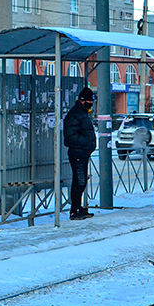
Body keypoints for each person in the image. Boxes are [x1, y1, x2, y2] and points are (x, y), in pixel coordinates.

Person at [63, 87, 97, 220]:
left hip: (82, 153)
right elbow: (70, 136)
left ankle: (77, 208)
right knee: (80, 181)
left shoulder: (82, 113)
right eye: (89, 101)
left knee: (80, 181)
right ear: (83, 100)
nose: (91, 103)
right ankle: (75, 210)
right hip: (77, 153)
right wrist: (87, 143)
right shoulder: (76, 114)